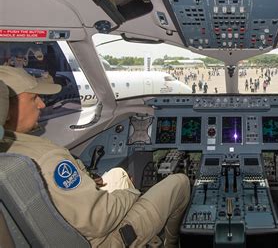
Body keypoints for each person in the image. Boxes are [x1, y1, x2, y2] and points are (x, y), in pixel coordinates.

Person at [0, 67, 190, 247]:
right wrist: (132, 193)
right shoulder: (46, 158)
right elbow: (100, 219)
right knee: (180, 182)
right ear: (7, 109)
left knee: (118, 174)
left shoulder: (12, 149)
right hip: (103, 240)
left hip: (63, 227)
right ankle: (170, 243)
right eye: (33, 98)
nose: (41, 104)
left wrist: (89, 181)